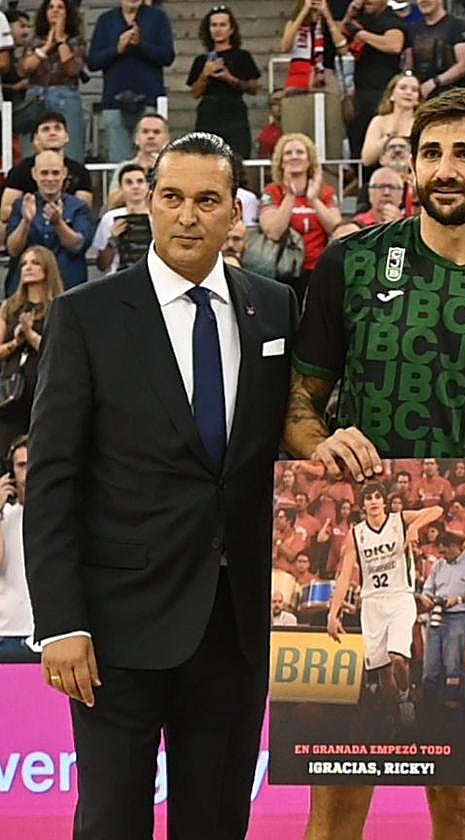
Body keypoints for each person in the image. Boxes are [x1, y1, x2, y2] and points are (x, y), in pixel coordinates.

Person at [285, 88, 465, 840]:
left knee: (461, 802)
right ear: (411, 162)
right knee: (338, 799)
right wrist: (317, 441)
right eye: (432, 153)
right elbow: (296, 410)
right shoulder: (352, 263)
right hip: (361, 546)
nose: (445, 170)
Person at [24, 132, 299, 840]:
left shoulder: (272, 309)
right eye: (172, 197)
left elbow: (286, 442)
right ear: (147, 201)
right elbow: (52, 481)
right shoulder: (86, 315)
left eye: (207, 201)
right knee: (112, 821)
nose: (187, 216)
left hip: (235, 627)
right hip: (115, 630)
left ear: (234, 214)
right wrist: (61, 622)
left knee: (215, 823)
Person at [328, 481, 442, 727]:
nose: (374, 501)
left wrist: (415, 528)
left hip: (400, 596)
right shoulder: (356, 533)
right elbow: (345, 576)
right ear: (363, 504)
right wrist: (332, 614)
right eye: (369, 498)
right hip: (372, 602)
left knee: (397, 656)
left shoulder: (399, 520)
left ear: (384, 501)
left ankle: (405, 698)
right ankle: (394, 718)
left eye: (378, 496)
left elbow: (437, 510)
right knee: (381, 670)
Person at [86, 0, 174, 163]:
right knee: (119, 163)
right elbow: (93, 62)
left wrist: (141, 45)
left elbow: (168, 56)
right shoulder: (106, 20)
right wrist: (117, 49)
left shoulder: (157, 17)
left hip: (148, 99)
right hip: (114, 101)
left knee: (154, 161)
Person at [259, 132, 341, 301]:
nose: (294, 157)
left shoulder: (325, 192)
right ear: (281, 162)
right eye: (288, 153)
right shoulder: (272, 192)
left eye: (300, 152)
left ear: (309, 160)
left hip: (318, 271)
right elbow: (274, 232)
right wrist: (290, 196)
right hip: (285, 271)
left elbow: (337, 228)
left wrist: (313, 199)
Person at [5, 150, 94, 291]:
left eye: (55, 173)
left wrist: (59, 223)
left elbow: (78, 246)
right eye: (44, 173)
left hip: (68, 288)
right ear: (34, 174)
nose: (50, 179)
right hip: (26, 291)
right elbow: (13, 249)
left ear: (65, 173)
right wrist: (26, 222)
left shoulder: (79, 207)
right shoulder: (21, 205)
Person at [0, 249, 60, 455]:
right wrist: (16, 342)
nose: (28, 268)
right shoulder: (10, 307)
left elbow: (61, 353)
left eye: (34, 263)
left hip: (44, 389)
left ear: (47, 268)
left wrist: (30, 334)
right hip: (11, 392)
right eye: (24, 263)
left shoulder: (60, 307)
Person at [186, 7, 262, 160]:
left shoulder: (243, 56)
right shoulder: (201, 60)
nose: (218, 29)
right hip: (208, 115)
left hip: (235, 115)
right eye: (214, 25)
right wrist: (205, 75)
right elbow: (194, 93)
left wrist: (230, 78)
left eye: (222, 25)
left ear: (231, 29)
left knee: (238, 160)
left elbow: (255, 88)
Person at [279, 0, 350, 157]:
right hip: (298, 81)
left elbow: (343, 48)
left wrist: (327, 16)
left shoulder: (331, 23)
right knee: (298, 136)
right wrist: (303, 12)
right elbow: (285, 46)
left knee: (329, 138)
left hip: (325, 80)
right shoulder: (294, 23)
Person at [419, 529, 465, 708]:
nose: (443, 555)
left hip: (458, 617)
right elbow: (428, 588)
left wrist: (460, 598)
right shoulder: (439, 565)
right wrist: (426, 597)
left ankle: (452, 704)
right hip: (436, 615)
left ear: (454, 547)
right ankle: (428, 706)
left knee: (453, 662)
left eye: (445, 551)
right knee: (430, 665)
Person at [21, 0, 87, 163]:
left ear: (67, 13)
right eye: (51, 7)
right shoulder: (34, 41)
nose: (55, 11)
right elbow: (25, 68)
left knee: (71, 152)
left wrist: (61, 41)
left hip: (66, 96)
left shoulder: (76, 41)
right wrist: (48, 46)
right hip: (36, 97)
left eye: (60, 7)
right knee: (32, 152)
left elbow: (72, 69)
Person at [0, 111, 94, 225]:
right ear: (36, 138)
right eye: (46, 129)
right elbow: (4, 212)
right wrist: (36, 214)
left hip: (68, 229)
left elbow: (83, 213)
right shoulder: (21, 170)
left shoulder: (80, 171)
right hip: (29, 230)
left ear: (67, 137)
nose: (52, 133)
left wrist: (56, 218)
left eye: (58, 128)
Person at [340, 0, 407, 157]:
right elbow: (339, 42)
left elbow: (394, 45)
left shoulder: (391, 20)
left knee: (382, 145)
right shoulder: (361, 19)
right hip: (360, 94)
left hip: (383, 93)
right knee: (358, 146)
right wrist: (349, 15)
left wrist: (362, 35)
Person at [405, 0, 465, 99]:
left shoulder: (458, 26)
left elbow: (463, 66)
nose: (423, 1)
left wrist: (434, 82)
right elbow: (408, 66)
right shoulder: (412, 29)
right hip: (421, 97)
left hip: (452, 97)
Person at [0, 436, 31, 656]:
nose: (28, 472)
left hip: (45, 630)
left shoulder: (58, 516)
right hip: (8, 629)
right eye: (21, 465)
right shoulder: (6, 516)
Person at [92, 162, 153, 274]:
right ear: (121, 188)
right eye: (129, 182)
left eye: (140, 181)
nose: (135, 186)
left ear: (148, 185)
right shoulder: (109, 218)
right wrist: (112, 240)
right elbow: (102, 265)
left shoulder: (158, 216)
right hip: (119, 279)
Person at [105, 113, 169, 210]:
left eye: (156, 132)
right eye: (145, 131)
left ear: (167, 139)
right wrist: (138, 176)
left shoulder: (176, 167)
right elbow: (112, 204)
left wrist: (160, 170)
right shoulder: (125, 167)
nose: (151, 136)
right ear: (136, 138)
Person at [361, 72, 420, 167]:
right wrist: (388, 137)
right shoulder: (379, 121)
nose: (409, 92)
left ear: (418, 99)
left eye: (414, 90)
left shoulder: (421, 123)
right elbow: (367, 160)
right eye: (403, 88)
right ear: (391, 95)